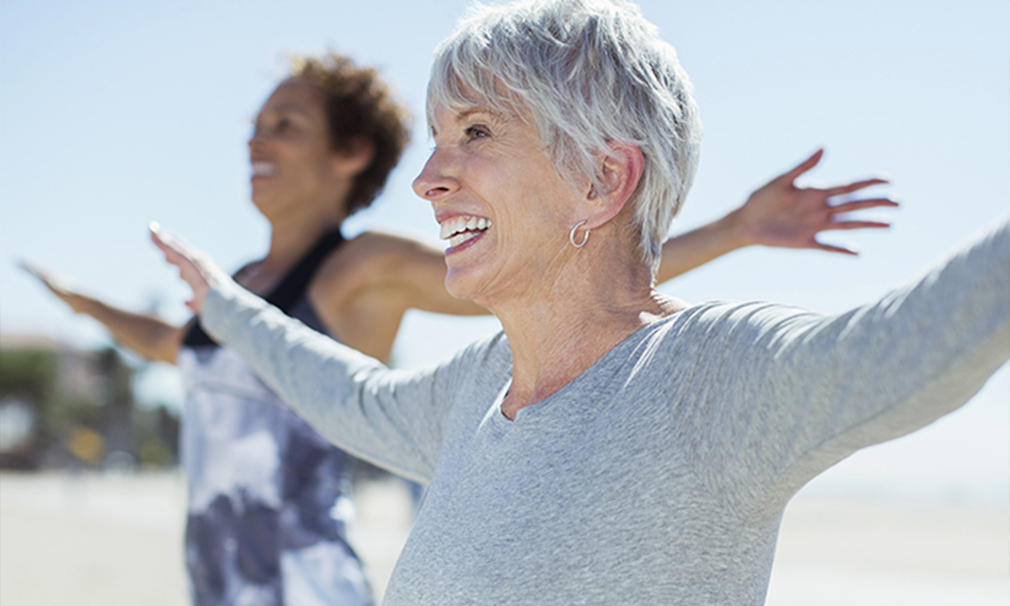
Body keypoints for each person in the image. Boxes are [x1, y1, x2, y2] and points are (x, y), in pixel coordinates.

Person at [33, 41, 900, 606]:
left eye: (285, 126)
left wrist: (734, 231)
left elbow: (557, 271)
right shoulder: (239, 285)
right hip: (214, 571)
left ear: (351, 156)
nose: (257, 140)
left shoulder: (359, 266)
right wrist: (81, 304)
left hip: (300, 579)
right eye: (255, 125)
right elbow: (168, 347)